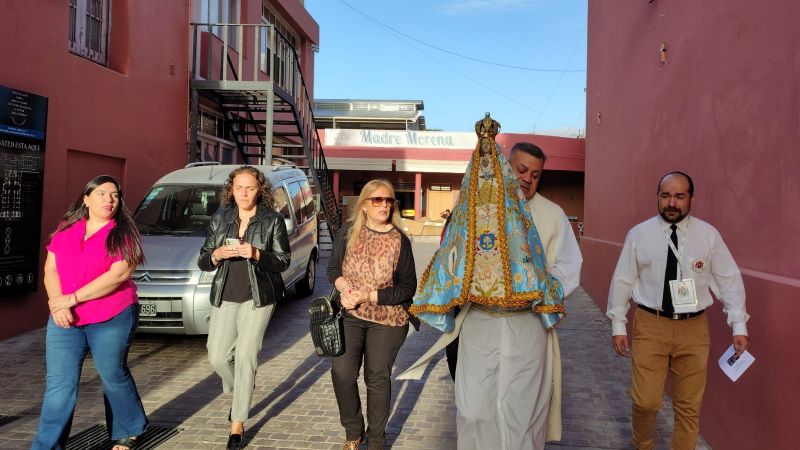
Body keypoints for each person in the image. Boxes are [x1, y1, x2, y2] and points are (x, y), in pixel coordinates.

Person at [607, 171, 751, 450]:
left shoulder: (708, 235)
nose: (671, 203)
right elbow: (623, 279)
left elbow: (728, 279)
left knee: (689, 406)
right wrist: (618, 324)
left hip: (694, 329)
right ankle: (643, 443)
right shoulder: (639, 234)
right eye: (665, 196)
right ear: (658, 197)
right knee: (645, 401)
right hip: (651, 323)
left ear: (691, 199)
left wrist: (739, 326)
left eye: (679, 196)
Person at [32, 175, 148, 450]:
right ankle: (46, 445)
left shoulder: (125, 234)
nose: (109, 199)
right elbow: (50, 269)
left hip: (112, 315)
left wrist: (70, 299)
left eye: (115, 195)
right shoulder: (66, 229)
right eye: (101, 194)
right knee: (59, 385)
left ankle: (126, 430)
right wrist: (55, 303)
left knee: (112, 374)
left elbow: (117, 275)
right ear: (86, 199)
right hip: (65, 318)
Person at [198, 166, 290, 450]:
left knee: (247, 355)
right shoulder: (220, 218)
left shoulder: (272, 220)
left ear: (259, 190)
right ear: (231, 190)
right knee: (216, 356)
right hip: (226, 294)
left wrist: (256, 253)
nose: (244, 193)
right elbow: (202, 260)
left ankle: (237, 423)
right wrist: (215, 255)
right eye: (239, 188)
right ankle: (241, 389)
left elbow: (283, 261)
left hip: (258, 296)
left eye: (250, 188)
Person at [327, 179, 418, 450]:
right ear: (365, 205)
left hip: (388, 318)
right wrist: (345, 289)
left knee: (376, 376)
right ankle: (354, 431)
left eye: (389, 200)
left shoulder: (399, 240)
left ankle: (376, 440)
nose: (384, 205)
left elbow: (407, 288)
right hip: (351, 313)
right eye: (377, 200)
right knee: (342, 372)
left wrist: (368, 295)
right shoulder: (348, 231)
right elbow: (333, 269)